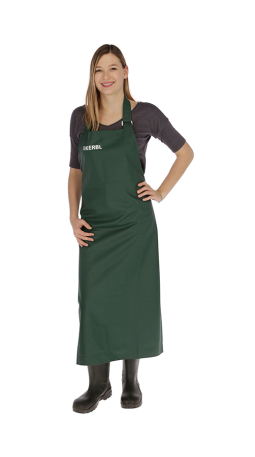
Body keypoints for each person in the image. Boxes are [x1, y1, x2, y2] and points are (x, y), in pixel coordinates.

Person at [68, 44, 194, 413]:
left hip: (134, 227)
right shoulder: (80, 118)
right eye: (98, 70)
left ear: (125, 71)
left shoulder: (145, 115)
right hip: (95, 227)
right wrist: (73, 217)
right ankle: (98, 384)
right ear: (92, 76)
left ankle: (130, 381)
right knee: (93, 304)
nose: (105, 76)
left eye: (112, 68)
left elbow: (185, 153)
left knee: (133, 302)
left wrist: (160, 192)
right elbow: (75, 172)